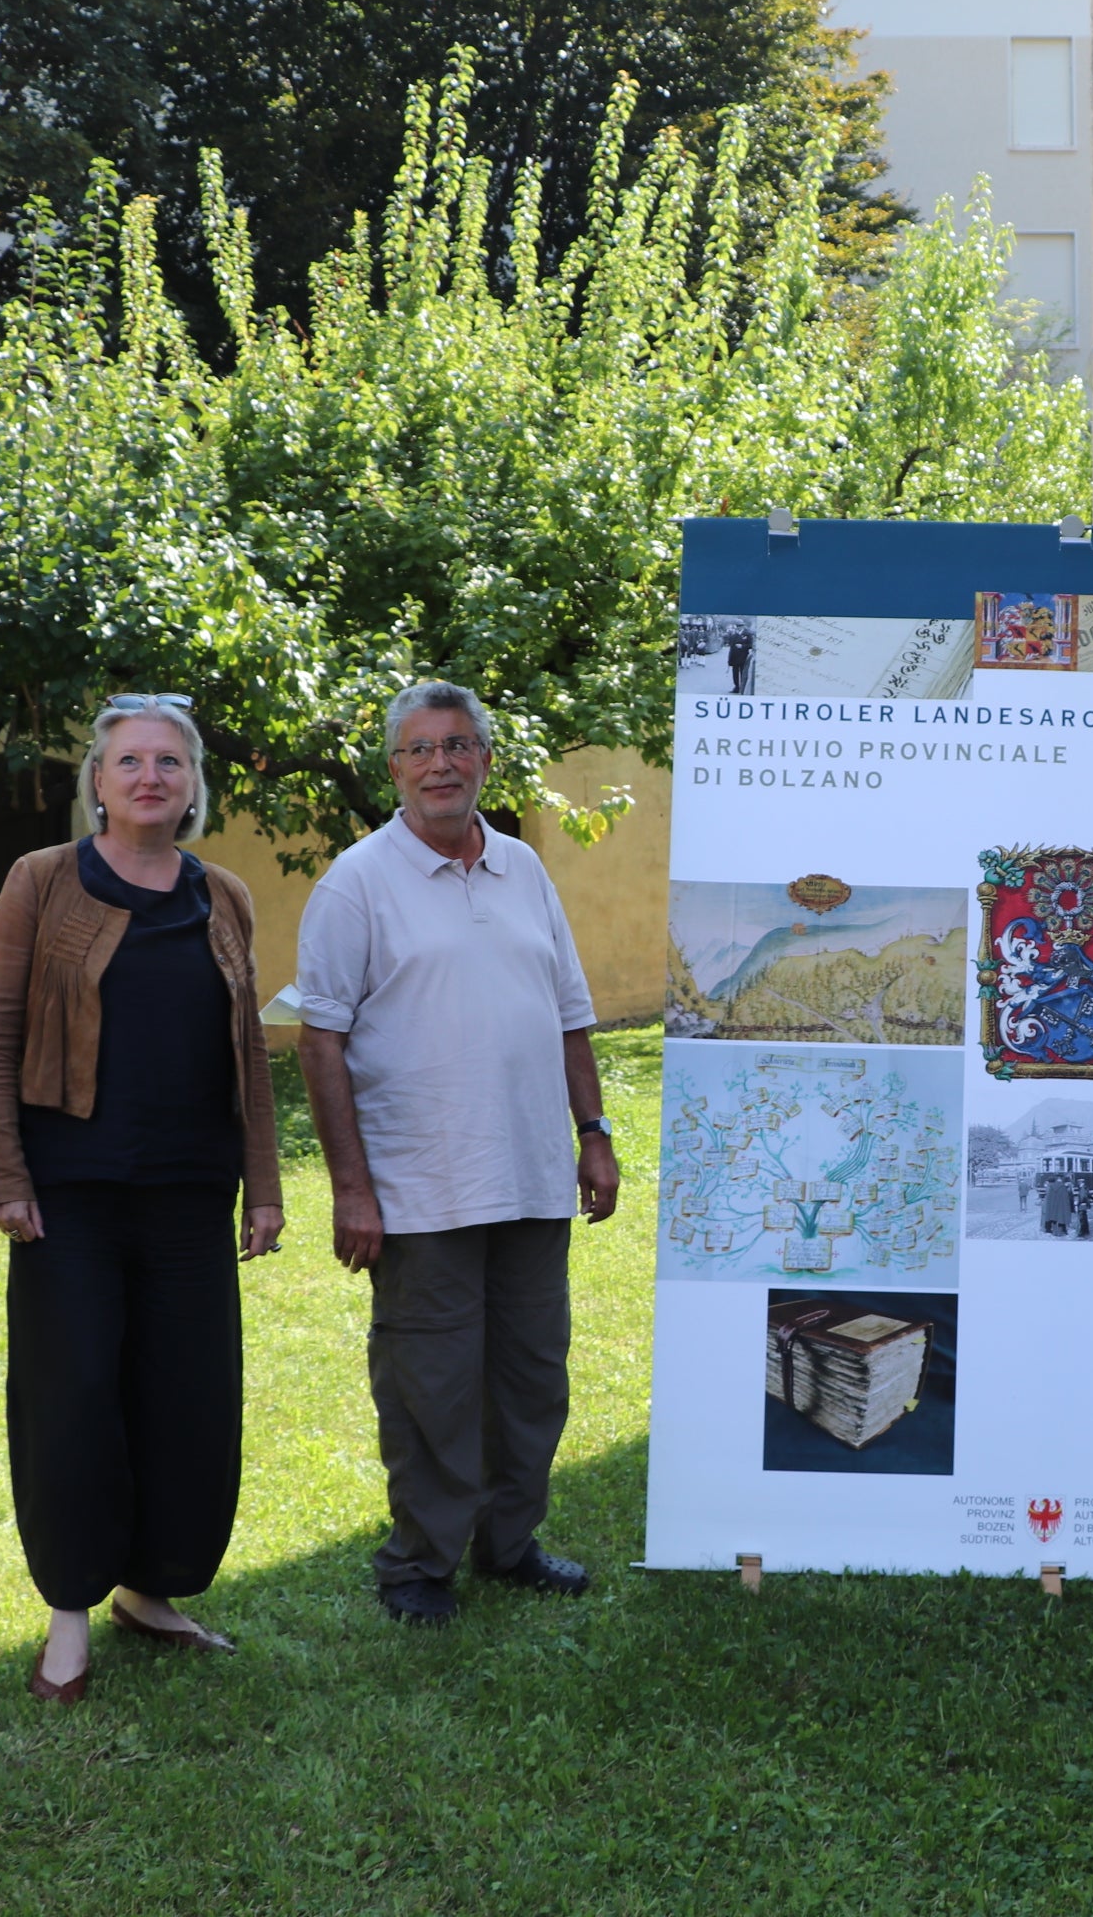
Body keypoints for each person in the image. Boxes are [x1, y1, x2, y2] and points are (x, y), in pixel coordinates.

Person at [0, 696, 283, 1703]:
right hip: (71, 1197)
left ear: (193, 787)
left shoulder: (223, 894)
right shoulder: (42, 879)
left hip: (192, 1193)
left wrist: (264, 1185)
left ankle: (152, 1591)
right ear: (97, 782)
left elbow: (248, 1049)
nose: (151, 776)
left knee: (189, 1402)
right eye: (131, 761)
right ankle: (69, 1613)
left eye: (170, 762)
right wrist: (4, 1175)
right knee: (71, 1402)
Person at [292, 680, 620, 1627]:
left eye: (459, 745)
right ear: (395, 769)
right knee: (431, 1387)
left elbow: (569, 1014)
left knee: (531, 1377)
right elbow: (320, 1041)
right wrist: (351, 1189)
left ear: (485, 760)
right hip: (419, 1188)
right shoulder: (355, 882)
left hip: (532, 1177)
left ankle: (508, 1545)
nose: (441, 764)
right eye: (421, 749)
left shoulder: (525, 868)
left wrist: (593, 1135)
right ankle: (418, 1565)